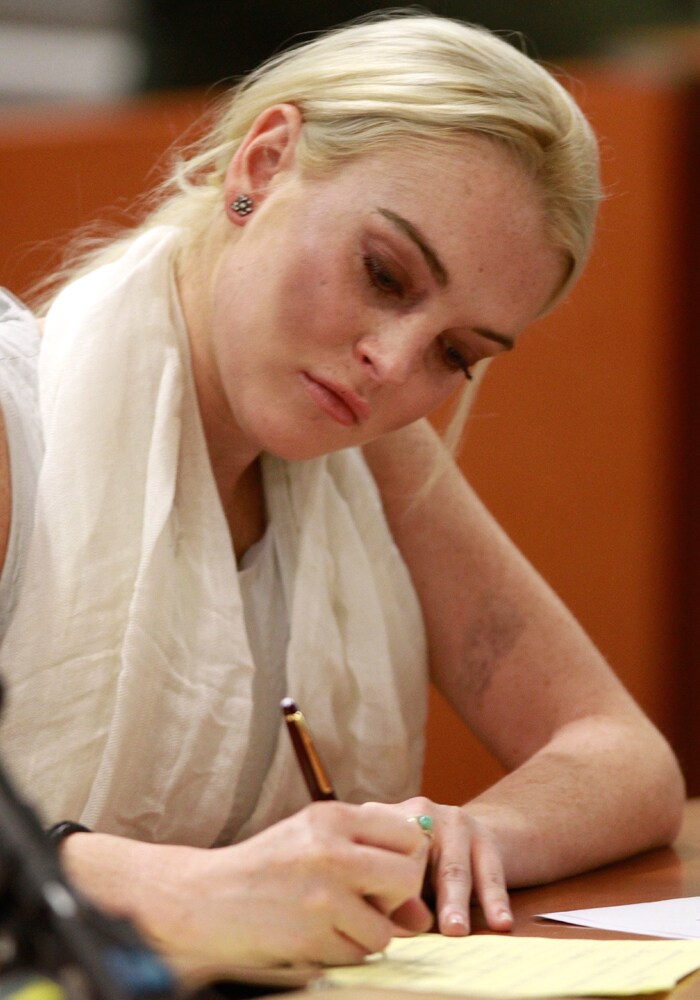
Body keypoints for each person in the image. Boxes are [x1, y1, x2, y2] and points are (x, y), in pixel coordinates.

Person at [0, 9, 685, 973]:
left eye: (457, 352)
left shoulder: (368, 449)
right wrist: (183, 892)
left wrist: (461, 835)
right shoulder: (13, 419)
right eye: (383, 272)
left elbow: (620, 755)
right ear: (263, 165)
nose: (392, 366)